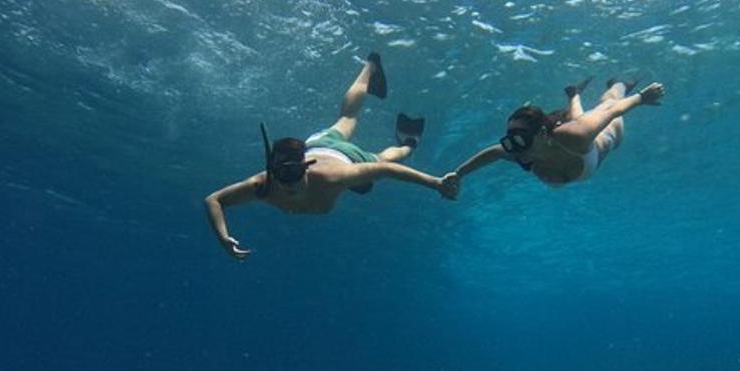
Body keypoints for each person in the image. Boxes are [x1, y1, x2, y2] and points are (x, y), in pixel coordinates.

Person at [204, 53, 456, 260]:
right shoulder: (262, 184)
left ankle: (408, 142)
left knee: (382, 159)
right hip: (317, 144)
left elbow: (387, 172)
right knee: (346, 118)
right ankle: (370, 67)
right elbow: (214, 200)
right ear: (274, 173)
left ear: (306, 167)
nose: (290, 186)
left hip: (342, 155)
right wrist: (223, 237)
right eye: (284, 178)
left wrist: (435, 183)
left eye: (295, 177)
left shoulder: (333, 176)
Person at [447, 78, 665, 191]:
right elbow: (491, 153)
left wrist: (641, 97)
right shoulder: (520, 150)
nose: (515, 147)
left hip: (607, 136)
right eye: (510, 140)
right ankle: (574, 95)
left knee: (607, 101)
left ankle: (619, 83)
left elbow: (611, 111)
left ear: (543, 134)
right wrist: (458, 174)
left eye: (521, 138)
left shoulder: (575, 136)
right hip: (569, 137)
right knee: (578, 119)